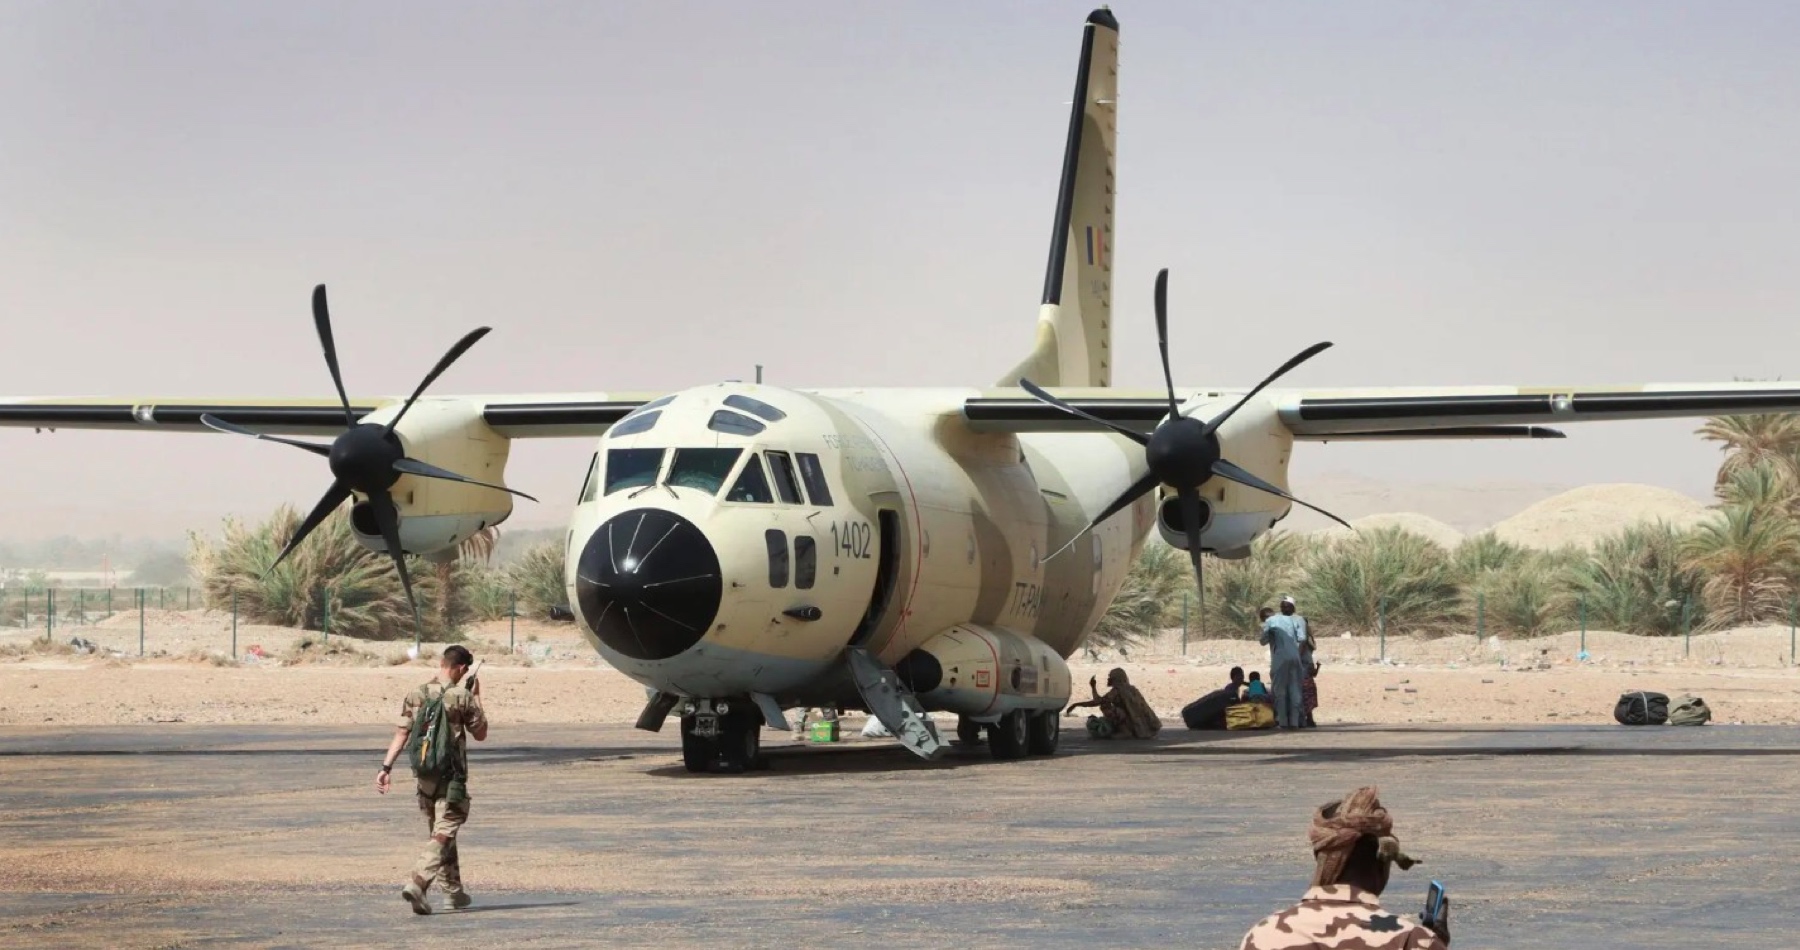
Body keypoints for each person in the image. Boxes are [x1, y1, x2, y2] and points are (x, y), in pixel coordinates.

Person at [1239, 786, 1450, 949]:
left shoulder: (1264, 935)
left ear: (1319, 856)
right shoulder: (1409, 939)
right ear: (1383, 859)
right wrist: (1433, 942)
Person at [377, 645, 489, 915]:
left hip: (425, 778)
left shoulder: (417, 693)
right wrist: (477, 697)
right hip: (452, 779)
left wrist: (385, 767)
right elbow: (481, 732)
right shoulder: (461, 696)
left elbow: (402, 734)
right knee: (444, 831)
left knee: (442, 835)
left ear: (442, 663)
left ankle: (453, 894)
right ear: (462, 669)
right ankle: (418, 882)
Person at [1064, 668, 1162, 738]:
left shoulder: (1117, 690)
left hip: (1131, 721)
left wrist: (1076, 704)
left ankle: (1125, 731)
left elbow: (1099, 702)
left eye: (1110, 677)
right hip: (1139, 724)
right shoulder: (1132, 689)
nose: (1108, 679)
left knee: (1106, 706)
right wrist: (1093, 687)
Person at [1260, 600, 1307, 729]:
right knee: (1295, 689)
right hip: (1295, 656)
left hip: (1280, 657)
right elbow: (1302, 639)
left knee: (1279, 690)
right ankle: (1295, 722)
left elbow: (1262, 641)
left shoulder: (1270, 622)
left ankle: (1282, 722)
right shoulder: (1293, 620)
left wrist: (1267, 631)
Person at [1283, 596, 1319, 728]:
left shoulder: (1301, 632)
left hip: (1302, 664)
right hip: (1302, 664)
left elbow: (1302, 646)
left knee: (1303, 690)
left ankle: (1307, 718)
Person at [1181, 667, 1248, 730]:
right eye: (1239, 677)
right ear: (1234, 678)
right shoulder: (1231, 689)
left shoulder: (1233, 688)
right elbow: (1230, 703)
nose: (1241, 679)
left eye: (1242, 677)